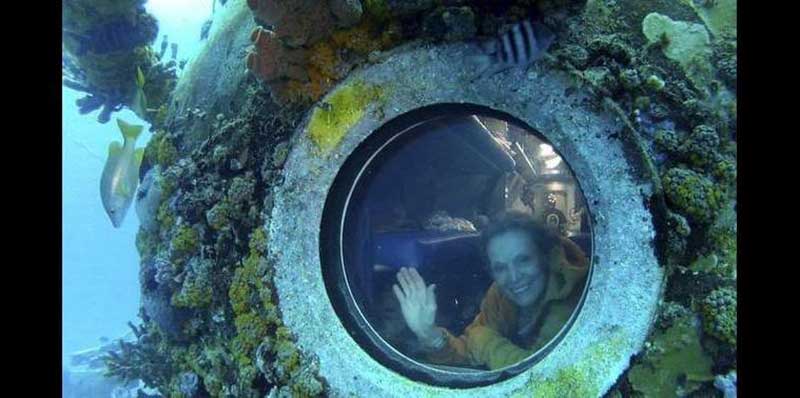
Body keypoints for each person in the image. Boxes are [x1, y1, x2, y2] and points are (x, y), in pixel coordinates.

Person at [392, 211, 589, 370]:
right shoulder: (501, 293)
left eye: (524, 260)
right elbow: (468, 353)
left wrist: (486, 343)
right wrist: (429, 334)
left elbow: (548, 378)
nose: (513, 277)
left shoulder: (575, 297)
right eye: (501, 267)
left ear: (546, 257)